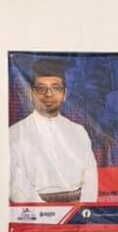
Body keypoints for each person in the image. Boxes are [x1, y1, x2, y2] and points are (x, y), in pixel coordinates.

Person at [9, 58, 98, 204]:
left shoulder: (78, 131)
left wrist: (82, 208)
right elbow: (17, 184)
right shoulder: (15, 133)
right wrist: (47, 213)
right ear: (31, 93)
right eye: (41, 88)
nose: (48, 94)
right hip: (35, 210)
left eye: (56, 88)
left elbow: (90, 178)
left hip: (77, 209)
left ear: (65, 94)